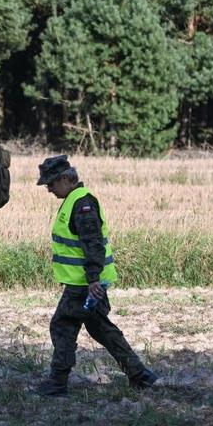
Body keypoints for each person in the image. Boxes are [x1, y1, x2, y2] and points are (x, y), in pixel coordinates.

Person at [35, 155, 157, 396]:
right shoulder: (75, 200)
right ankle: (140, 375)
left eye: (51, 183)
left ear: (66, 179)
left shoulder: (82, 204)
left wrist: (92, 280)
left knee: (62, 325)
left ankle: (58, 383)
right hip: (86, 281)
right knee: (100, 328)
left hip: (85, 283)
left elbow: (93, 244)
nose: (48, 189)